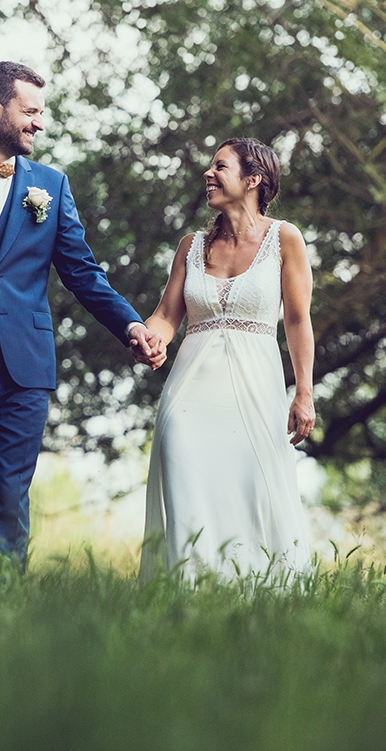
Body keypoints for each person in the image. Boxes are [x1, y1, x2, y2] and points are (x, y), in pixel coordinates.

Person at [0, 61, 162, 568]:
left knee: (10, 495)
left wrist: (131, 324)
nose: (39, 123)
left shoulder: (52, 186)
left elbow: (82, 272)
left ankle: (9, 608)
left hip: (26, 367)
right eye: (31, 111)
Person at [138, 137, 314, 581]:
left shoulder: (284, 238)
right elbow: (165, 316)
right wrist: (149, 338)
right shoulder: (190, 246)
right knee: (183, 484)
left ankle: (255, 599)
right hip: (188, 394)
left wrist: (304, 393)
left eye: (220, 166)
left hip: (255, 392)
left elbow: (296, 320)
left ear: (253, 179)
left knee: (251, 495)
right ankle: (185, 598)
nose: (208, 174)